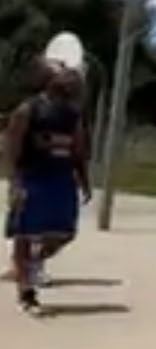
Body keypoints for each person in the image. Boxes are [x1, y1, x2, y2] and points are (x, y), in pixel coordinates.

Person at [4, 61, 91, 314]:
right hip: (32, 178)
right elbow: (12, 147)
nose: (69, 82)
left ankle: (31, 263)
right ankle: (26, 293)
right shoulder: (28, 110)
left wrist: (84, 179)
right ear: (49, 80)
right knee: (24, 234)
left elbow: (78, 150)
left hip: (61, 180)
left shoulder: (72, 115)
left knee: (65, 233)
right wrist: (14, 181)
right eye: (63, 76)